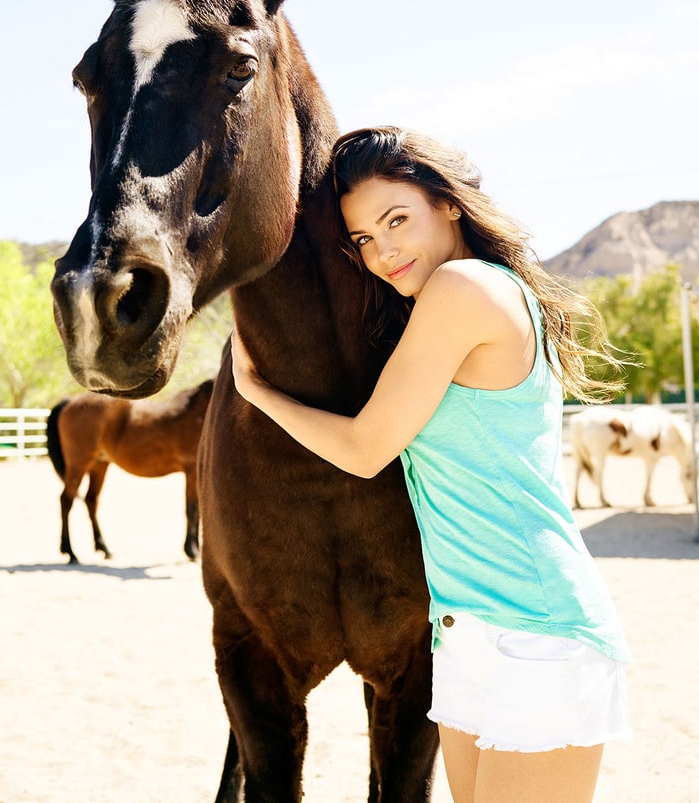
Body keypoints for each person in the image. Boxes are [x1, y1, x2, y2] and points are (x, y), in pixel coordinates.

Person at [231, 126, 632, 803]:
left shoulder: (466, 287)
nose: (383, 252)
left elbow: (365, 448)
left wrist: (256, 392)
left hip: (538, 634)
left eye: (396, 220)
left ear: (447, 204)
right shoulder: (454, 298)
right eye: (363, 239)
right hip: (467, 635)